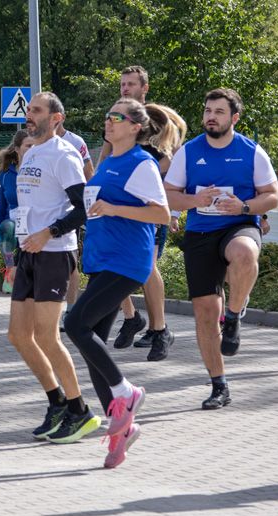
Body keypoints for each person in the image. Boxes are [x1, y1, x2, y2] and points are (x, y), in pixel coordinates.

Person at [64, 99, 172, 468]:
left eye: (116, 118)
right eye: (107, 116)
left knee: (74, 324)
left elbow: (161, 214)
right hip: (102, 259)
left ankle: (126, 392)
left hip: (126, 261)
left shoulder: (141, 163)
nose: (108, 122)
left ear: (135, 126)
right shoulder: (109, 161)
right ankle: (120, 429)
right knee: (92, 345)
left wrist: (113, 209)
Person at [163, 88, 278, 410]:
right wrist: (194, 201)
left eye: (219, 111)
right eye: (207, 111)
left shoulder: (252, 152)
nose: (211, 116)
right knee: (203, 314)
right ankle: (219, 385)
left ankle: (235, 313)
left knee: (244, 254)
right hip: (200, 233)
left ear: (234, 118)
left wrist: (243, 207)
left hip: (238, 225)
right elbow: (169, 194)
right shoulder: (189, 152)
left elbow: (271, 195)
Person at [5, 92, 100, 444]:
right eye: (29, 109)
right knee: (18, 335)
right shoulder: (31, 152)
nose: (30, 115)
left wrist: (50, 232)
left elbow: (83, 207)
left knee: (47, 335)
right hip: (30, 252)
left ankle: (81, 411)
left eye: (37, 110)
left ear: (57, 118)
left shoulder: (64, 155)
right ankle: (57, 401)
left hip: (55, 252)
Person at [99, 67, 178, 361]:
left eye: (130, 84)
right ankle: (132, 317)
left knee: (146, 268)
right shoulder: (115, 118)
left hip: (147, 205)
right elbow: (105, 158)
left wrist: (140, 180)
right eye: (121, 84)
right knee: (115, 264)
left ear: (144, 88)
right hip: (116, 205)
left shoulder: (155, 119)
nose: (125, 88)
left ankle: (160, 329)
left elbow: (171, 161)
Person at [56, 117, 94, 325]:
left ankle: (70, 310)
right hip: (43, 212)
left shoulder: (75, 141)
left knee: (70, 264)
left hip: (71, 209)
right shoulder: (35, 141)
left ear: (57, 117)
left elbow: (89, 173)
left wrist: (89, 205)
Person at [0, 130, 34, 293]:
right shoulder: (6, 175)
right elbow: (0, 208)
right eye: (29, 146)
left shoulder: (44, 171)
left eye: (36, 145)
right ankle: (10, 270)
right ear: (17, 149)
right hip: (14, 225)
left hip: (38, 224)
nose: (33, 149)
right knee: (6, 227)